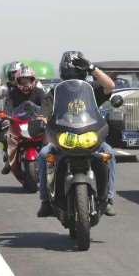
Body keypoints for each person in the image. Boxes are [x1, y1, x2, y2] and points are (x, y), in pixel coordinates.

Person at [36, 51, 117, 217]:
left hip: (89, 135)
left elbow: (110, 86)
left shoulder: (92, 90)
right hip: (63, 138)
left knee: (109, 153)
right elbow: (44, 113)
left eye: (78, 72)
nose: (74, 76)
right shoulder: (56, 93)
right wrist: (41, 120)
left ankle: (108, 199)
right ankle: (45, 200)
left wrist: (92, 67)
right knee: (44, 154)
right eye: (70, 73)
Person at [0, 66, 45, 174]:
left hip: (36, 123)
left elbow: (46, 106)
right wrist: (6, 116)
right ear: (18, 81)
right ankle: (8, 157)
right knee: (4, 128)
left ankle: (52, 159)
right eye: (22, 80)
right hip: (19, 122)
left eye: (28, 80)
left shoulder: (39, 92)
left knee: (51, 135)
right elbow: (8, 107)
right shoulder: (13, 93)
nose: (25, 83)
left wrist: (47, 115)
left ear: (33, 80)